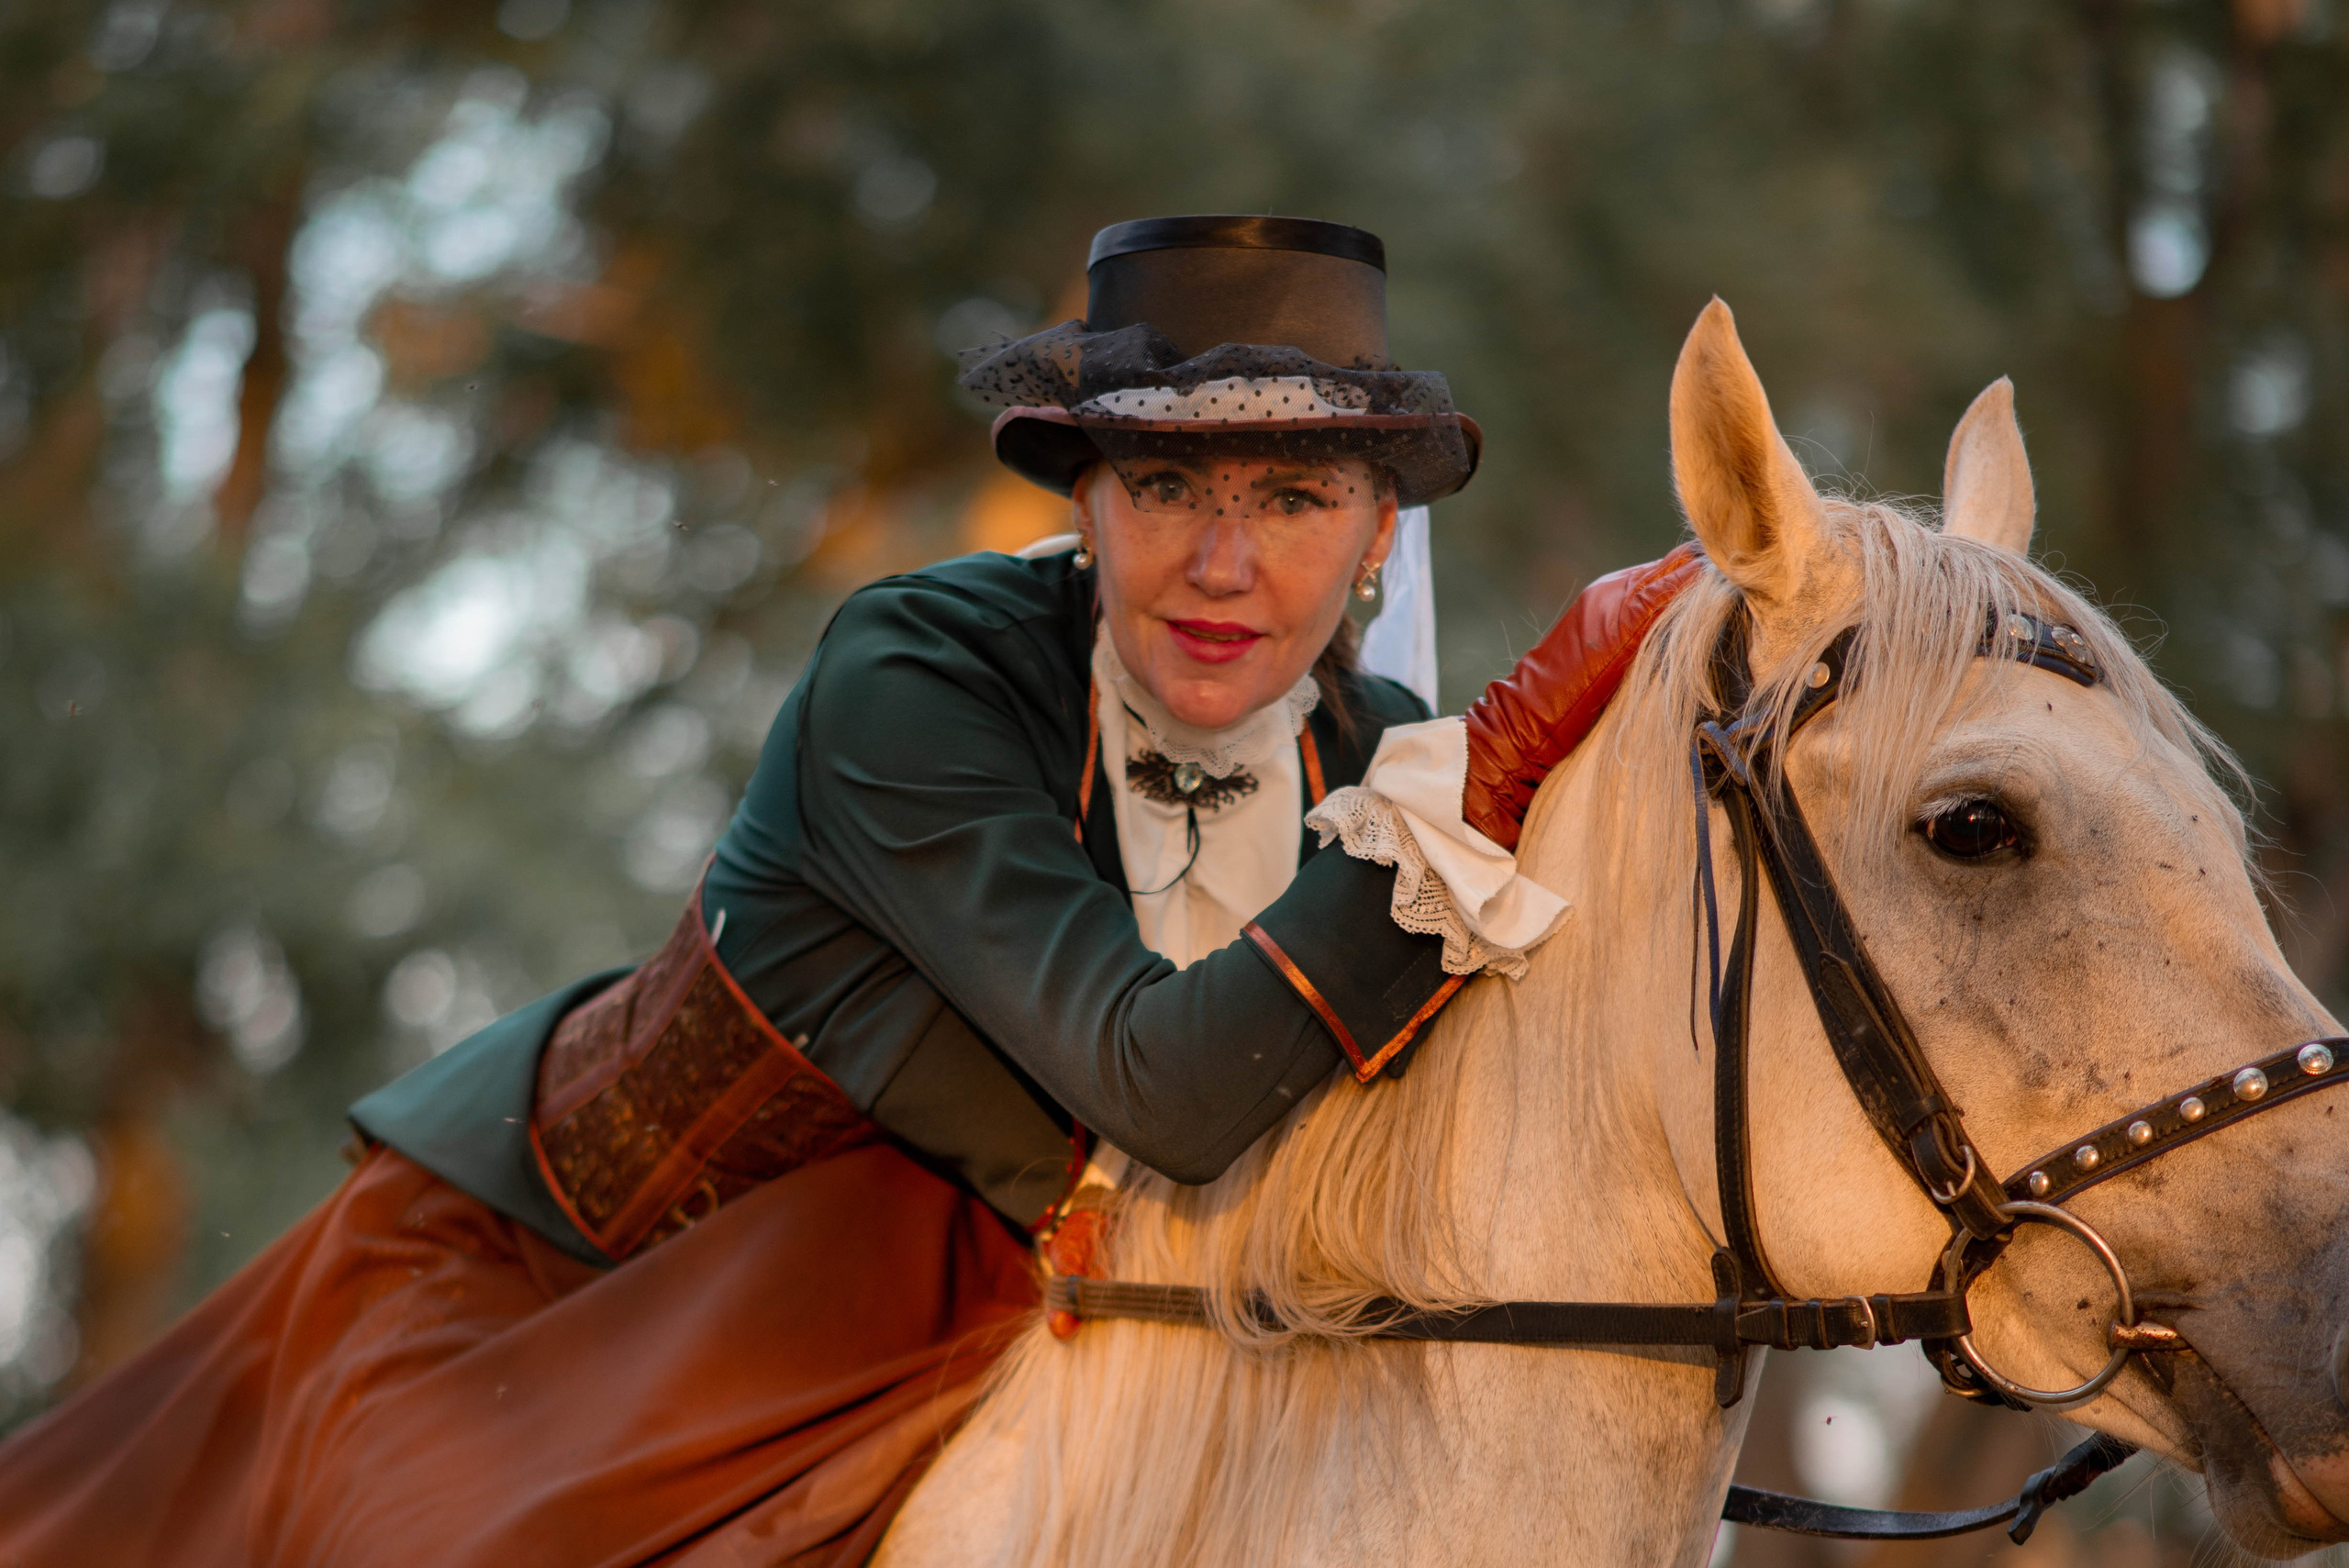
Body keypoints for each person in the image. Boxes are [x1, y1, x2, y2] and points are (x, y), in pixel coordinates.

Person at [0, 215, 1701, 1568]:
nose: (1226, 562)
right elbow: (1174, 1091)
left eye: (1297, 497)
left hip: (1041, 1325)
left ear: (1380, 538)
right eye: (1166, 485)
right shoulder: (914, 670)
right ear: (1087, 508)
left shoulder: (1381, 763)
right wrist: (1497, 768)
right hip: (571, 1310)